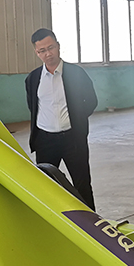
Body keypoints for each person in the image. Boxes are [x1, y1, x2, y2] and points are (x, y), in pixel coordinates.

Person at [26, 28, 98, 210]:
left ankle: (91, 222)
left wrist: (76, 119)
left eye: (51, 48)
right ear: (36, 52)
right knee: (46, 185)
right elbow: (33, 106)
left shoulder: (76, 73)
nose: (48, 54)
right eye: (42, 51)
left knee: (82, 183)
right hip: (45, 141)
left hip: (73, 139)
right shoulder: (33, 78)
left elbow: (91, 101)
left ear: (58, 46)